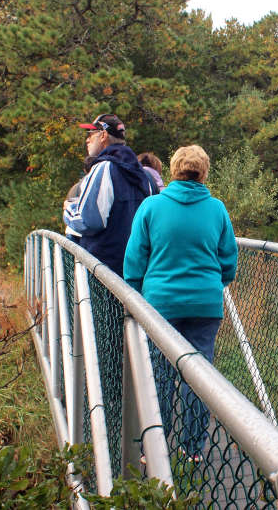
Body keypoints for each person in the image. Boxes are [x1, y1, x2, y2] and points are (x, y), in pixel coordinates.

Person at [123, 145, 237, 461]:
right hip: (204, 304)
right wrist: (212, 284)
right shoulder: (217, 209)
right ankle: (192, 448)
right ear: (203, 172)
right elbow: (228, 259)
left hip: (160, 305)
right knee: (198, 376)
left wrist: (135, 294)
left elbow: (135, 258)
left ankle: (154, 447)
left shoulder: (150, 207)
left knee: (159, 373)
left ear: (173, 170)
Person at [63, 113, 153, 276]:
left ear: (103, 135)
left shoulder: (103, 168)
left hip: (103, 272)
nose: (87, 140)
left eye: (91, 134)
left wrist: (69, 210)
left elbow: (90, 221)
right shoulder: (144, 175)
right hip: (134, 270)